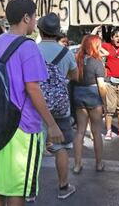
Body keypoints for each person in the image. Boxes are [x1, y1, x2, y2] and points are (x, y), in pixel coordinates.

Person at [0, 0, 64, 206]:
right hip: (22, 127)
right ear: (26, 18)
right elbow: (33, 88)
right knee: (17, 190)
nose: (35, 22)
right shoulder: (28, 46)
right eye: (35, 17)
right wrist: (52, 124)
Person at [37, 13, 78, 199]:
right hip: (61, 107)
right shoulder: (66, 52)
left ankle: (29, 190)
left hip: (36, 106)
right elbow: (75, 77)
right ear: (57, 32)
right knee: (61, 147)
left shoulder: (33, 50)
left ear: (40, 30)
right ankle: (63, 187)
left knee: (34, 148)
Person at [73, 35, 107, 175]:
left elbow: (72, 78)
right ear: (95, 46)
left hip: (79, 95)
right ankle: (99, 164)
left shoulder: (77, 60)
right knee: (96, 132)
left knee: (80, 131)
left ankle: (77, 165)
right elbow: (101, 86)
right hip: (93, 95)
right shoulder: (97, 62)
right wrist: (105, 103)